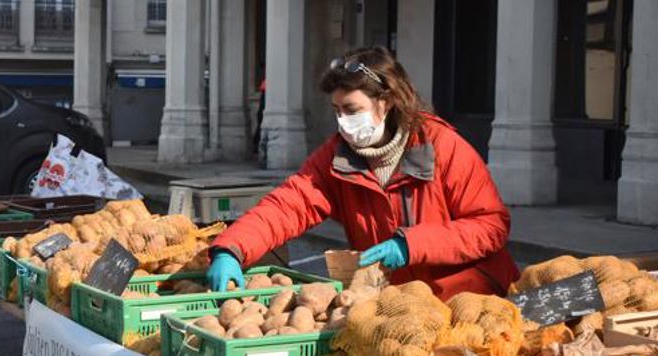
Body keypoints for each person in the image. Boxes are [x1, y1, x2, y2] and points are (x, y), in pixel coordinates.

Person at [207, 46, 519, 300]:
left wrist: (413, 245)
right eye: (337, 111)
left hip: (470, 300)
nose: (343, 121)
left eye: (352, 110)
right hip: (400, 308)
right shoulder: (336, 156)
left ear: (386, 102)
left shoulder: (442, 146)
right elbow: (288, 205)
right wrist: (232, 249)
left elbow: (491, 226)